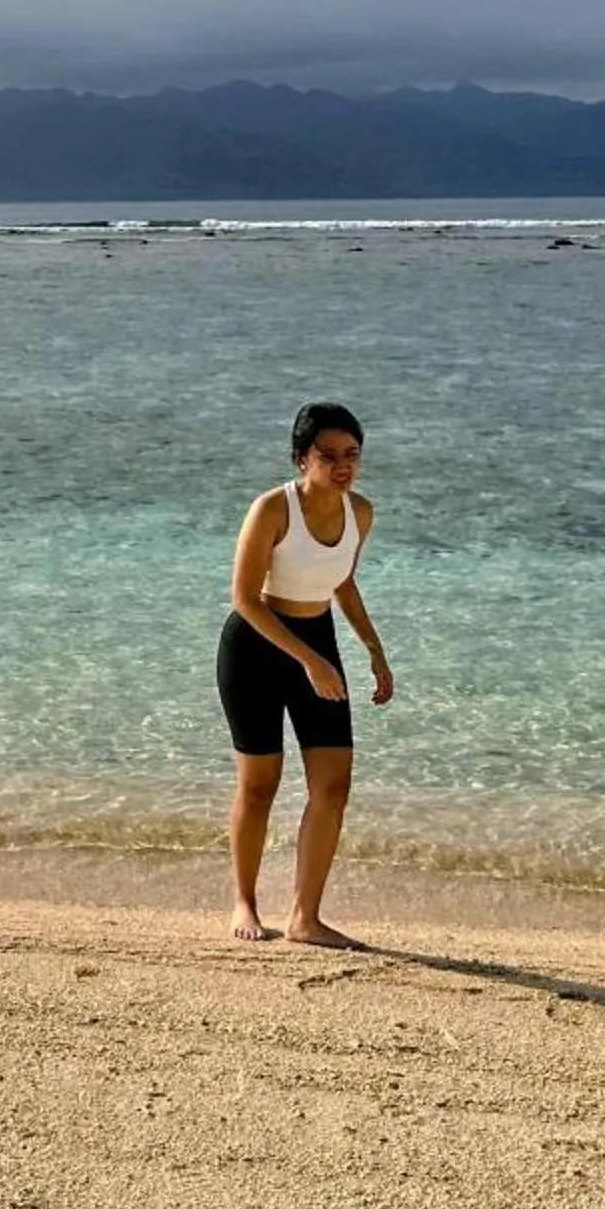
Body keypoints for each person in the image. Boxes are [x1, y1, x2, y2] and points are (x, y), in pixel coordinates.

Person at [217, 402, 394, 949]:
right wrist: (309, 661)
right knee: (261, 783)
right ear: (302, 459)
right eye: (328, 456)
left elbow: (341, 582)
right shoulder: (272, 509)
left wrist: (374, 650)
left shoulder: (359, 513)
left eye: (352, 455)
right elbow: (244, 599)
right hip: (256, 647)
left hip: (318, 642)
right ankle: (244, 901)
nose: (342, 466)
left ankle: (304, 917)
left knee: (334, 785)